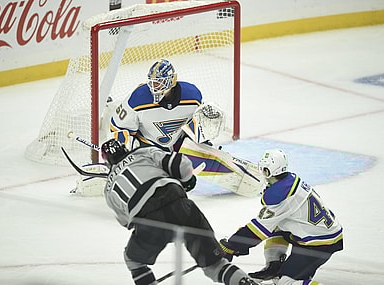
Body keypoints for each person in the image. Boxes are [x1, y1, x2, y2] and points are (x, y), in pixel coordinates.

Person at [100, 138, 258, 285]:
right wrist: (186, 181)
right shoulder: (142, 152)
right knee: (215, 266)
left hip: (149, 221)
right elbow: (180, 164)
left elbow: (127, 222)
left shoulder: (108, 189)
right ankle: (244, 281)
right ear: (125, 148)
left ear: (107, 162)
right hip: (182, 207)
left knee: (133, 261)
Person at [219, 149, 344, 285]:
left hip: (319, 243)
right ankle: (274, 266)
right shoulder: (289, 180)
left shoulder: (281, 194)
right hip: (313, 234)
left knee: (285, 283)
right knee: (276, 224)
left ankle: (290, 275)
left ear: (267, 170)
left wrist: (230, 246)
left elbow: (257, 231)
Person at [108, 58, 222, 152]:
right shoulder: (137, 98)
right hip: (148, 149)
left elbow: (197, 123)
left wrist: (203, 138)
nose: (154, 87)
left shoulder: (192, 95)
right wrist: (125, 149)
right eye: (152, 82)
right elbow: (118, 128)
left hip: (179, 147)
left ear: (172, 80)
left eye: (159, 82)